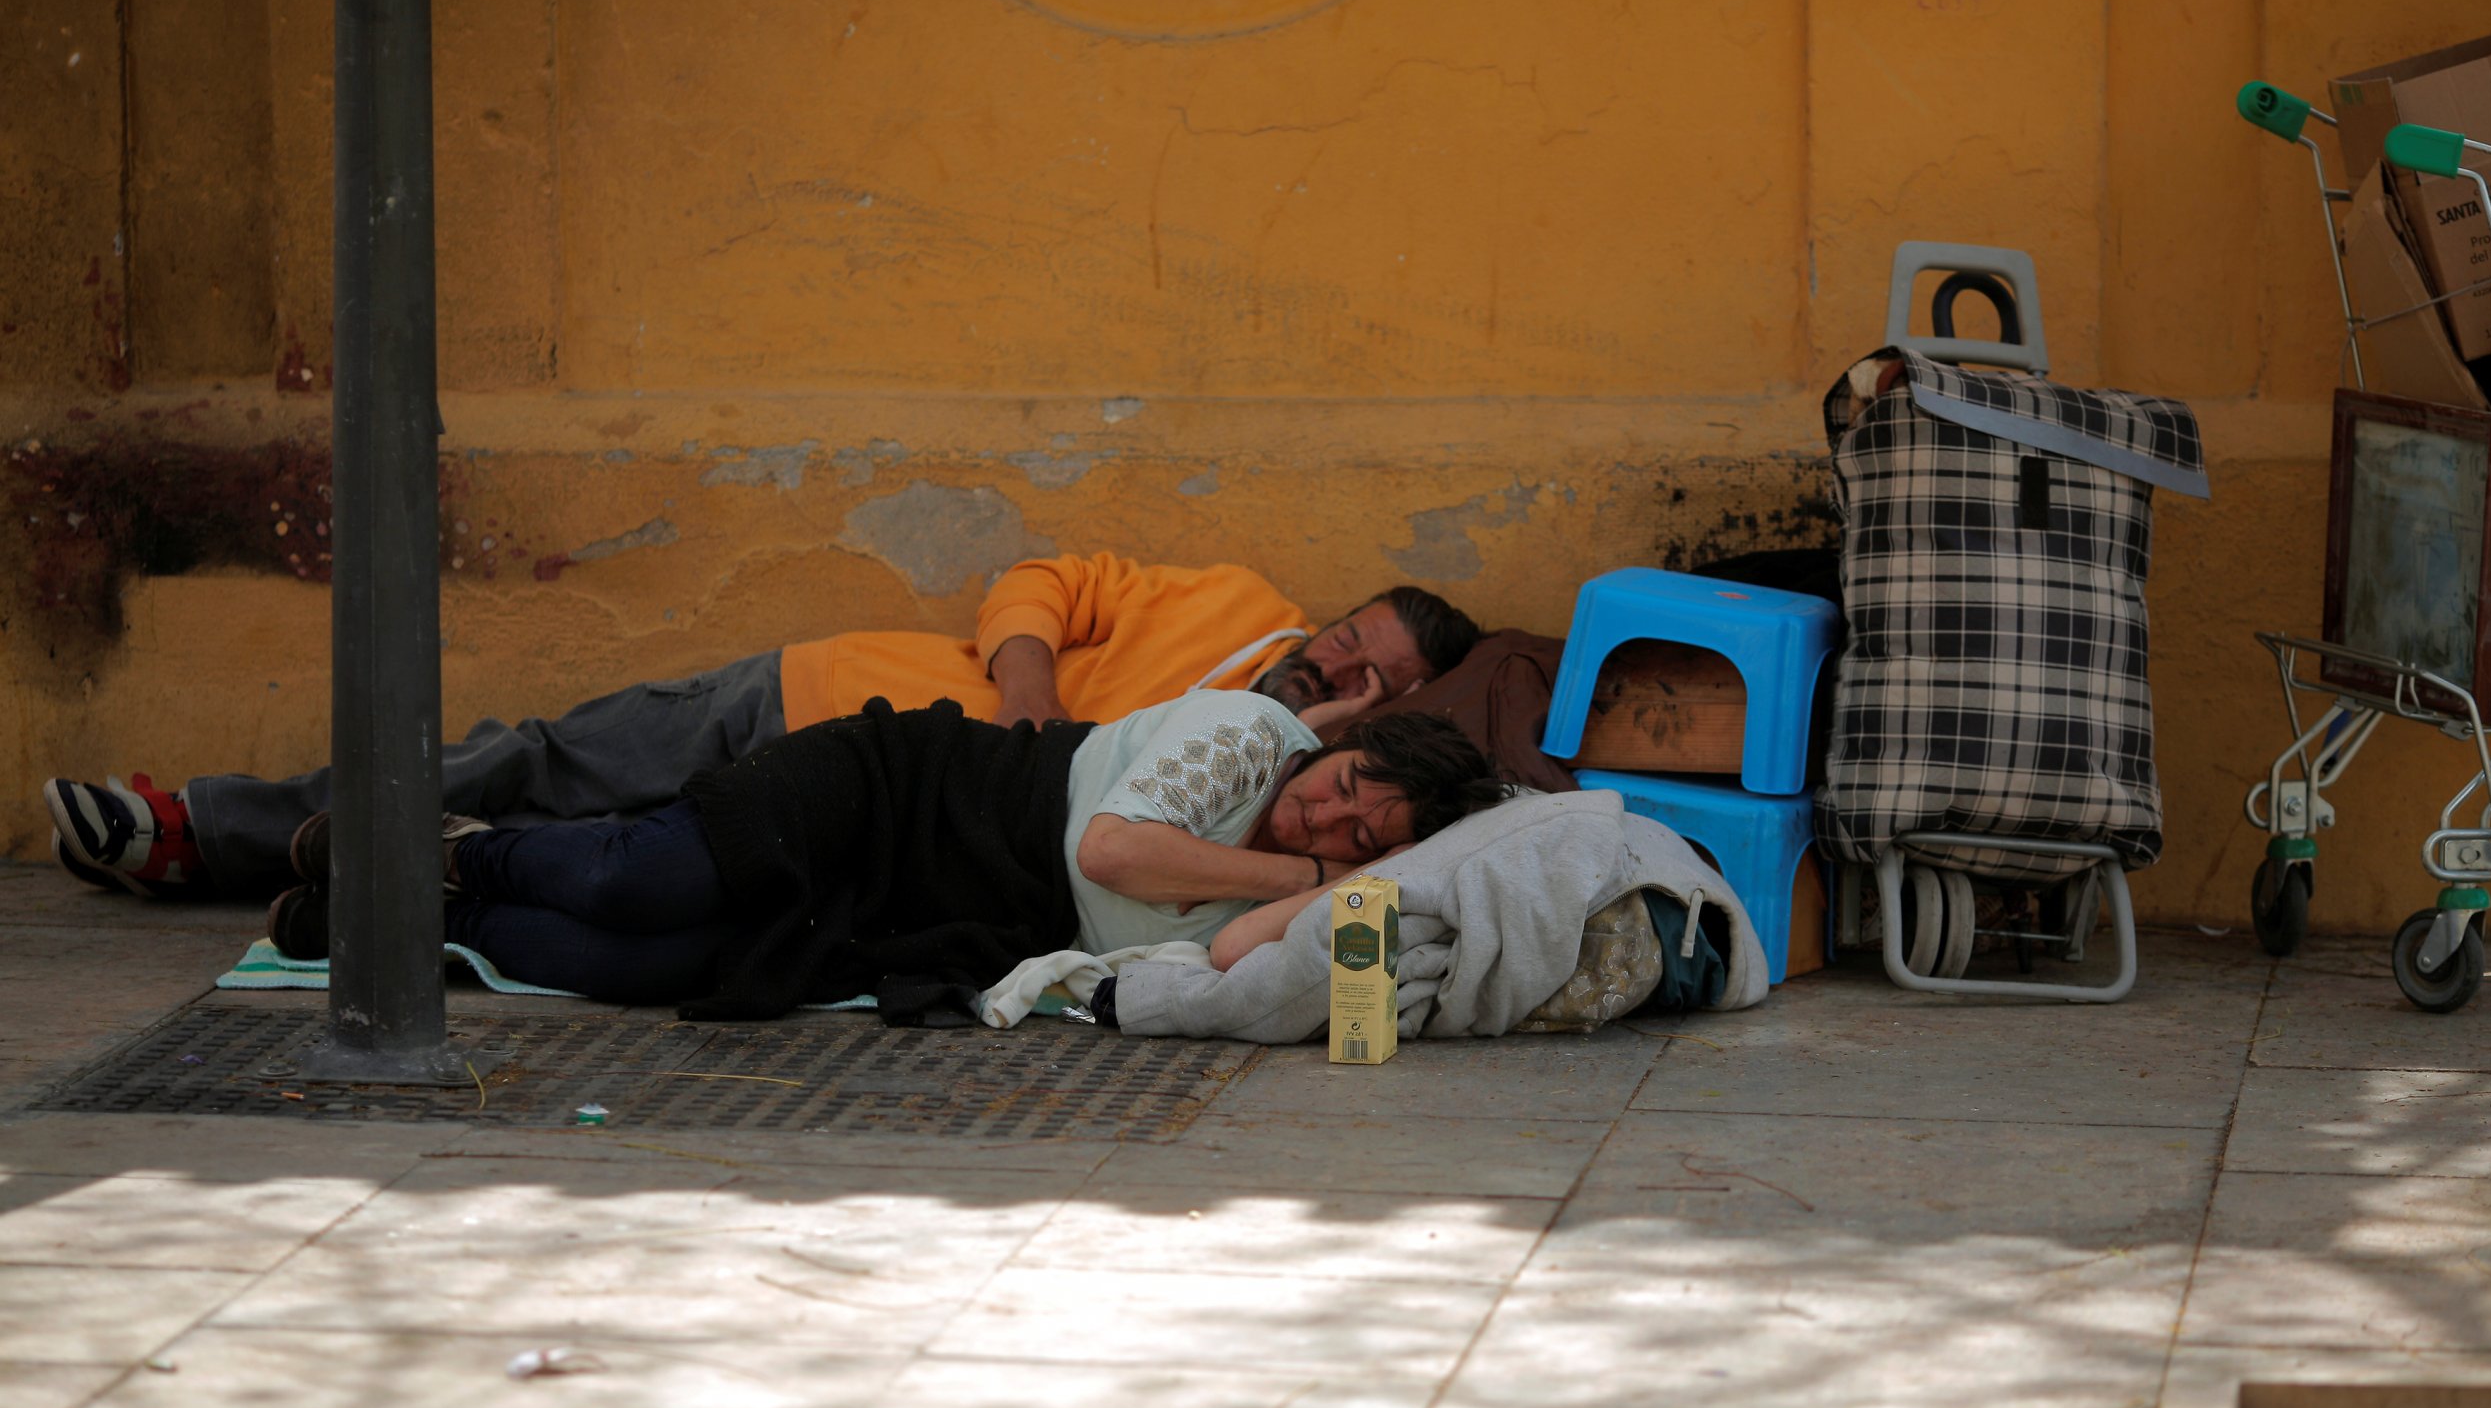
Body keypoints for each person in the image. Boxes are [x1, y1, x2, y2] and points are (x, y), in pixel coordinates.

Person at [42, 553, 1482, 901]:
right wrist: (1029, 680)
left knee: (567, 847)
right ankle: (198, 826)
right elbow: (1040, 577)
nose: (1336, 657)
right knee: (530, 758)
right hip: (817, 698)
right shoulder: (1235, 596)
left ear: (1396, 703)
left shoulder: (1296, 774)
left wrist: (1325, 719)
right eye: (1346, 632)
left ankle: (327, 873)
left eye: (1375, 671)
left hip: (869, 816)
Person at [268, 692, 1505, 1019]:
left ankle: (405, 924)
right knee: (639, 881)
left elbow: (1233, 953)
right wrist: (1300, 877)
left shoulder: (1327, 878)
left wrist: (1354, 894)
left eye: (1361, 836)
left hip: (930, 908)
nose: (1326, 822)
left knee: (648, 965)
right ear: (1332, 751)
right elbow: (1116, 849)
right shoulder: (1248, 737)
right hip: (901, 794)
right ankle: (455, 853)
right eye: (1345, 788)